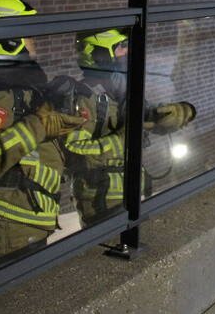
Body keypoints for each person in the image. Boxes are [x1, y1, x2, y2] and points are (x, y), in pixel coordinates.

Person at [0, 0, 87, 274]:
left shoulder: (14, 86)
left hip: (22, 217)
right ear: (9, 40)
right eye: (27, 34)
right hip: (6, 224)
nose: (34, 41)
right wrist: (41, 124)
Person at [63, 29, 196, 225]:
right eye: (120, 47)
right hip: (100, 197)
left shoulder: (123, 88)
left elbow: (145, 116)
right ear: (100, 53)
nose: (126, 52)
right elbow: (74, 152)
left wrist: (181, 113)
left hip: (132, 190)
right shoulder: (82, 98)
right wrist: (123, 140)